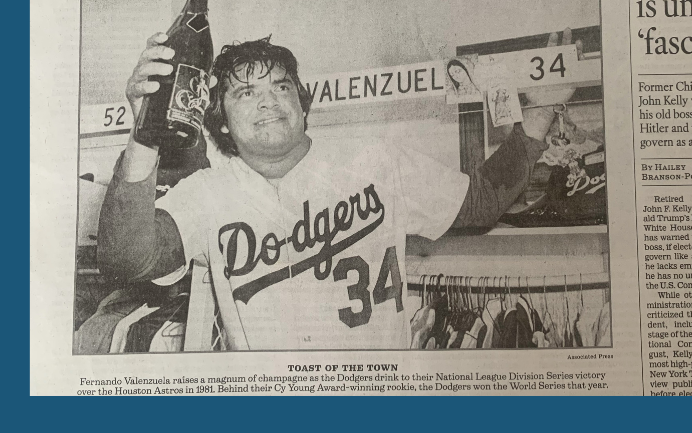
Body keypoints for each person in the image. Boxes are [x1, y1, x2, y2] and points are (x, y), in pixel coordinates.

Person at [99, 35, 558, 350]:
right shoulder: (209, 192)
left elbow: (480, 203)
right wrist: (145, 132)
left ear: (302, 103)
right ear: (219, 120)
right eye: (245, 92)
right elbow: (128, 259)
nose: (268, 100)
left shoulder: (376, 160)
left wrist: (536, 121)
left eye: (281, 86)